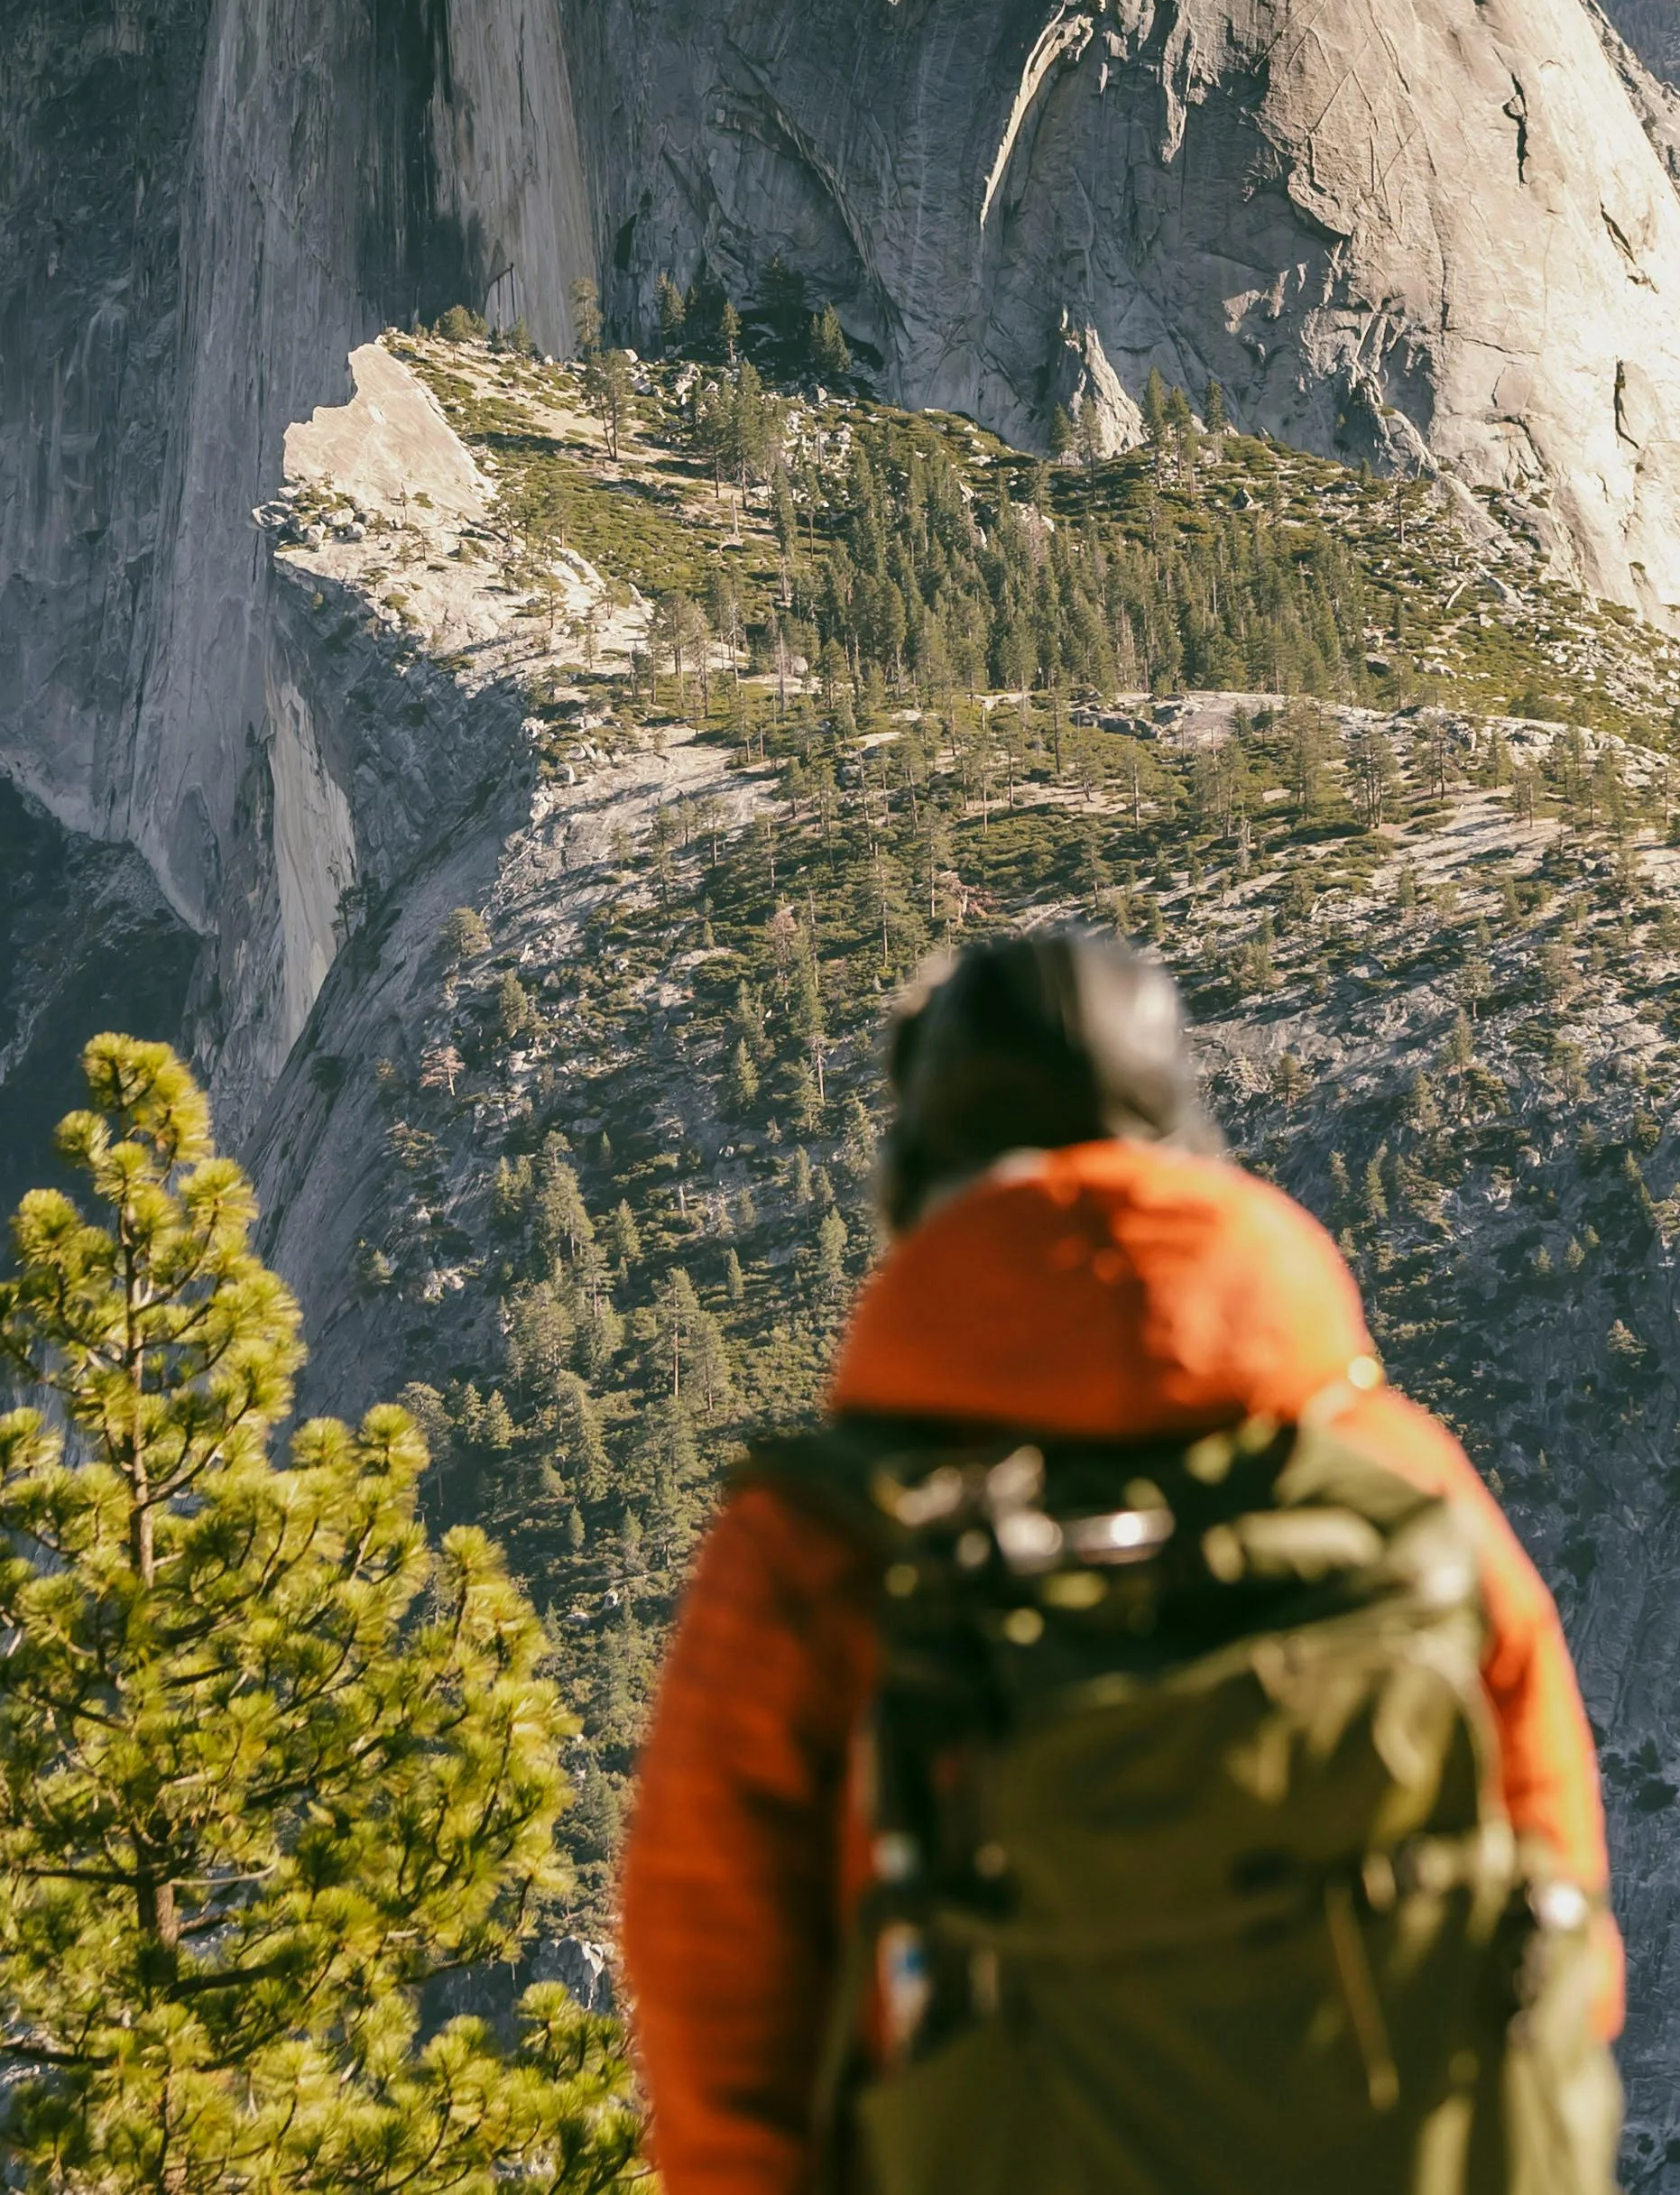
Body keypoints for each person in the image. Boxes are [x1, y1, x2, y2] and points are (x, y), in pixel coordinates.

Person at [620, 934, 1623, 2195]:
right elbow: (1551, 1851)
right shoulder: (1387, 1463)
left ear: (916, 1179)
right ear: (1189, 1145)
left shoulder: (819, 1537)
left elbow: (712, 1971)